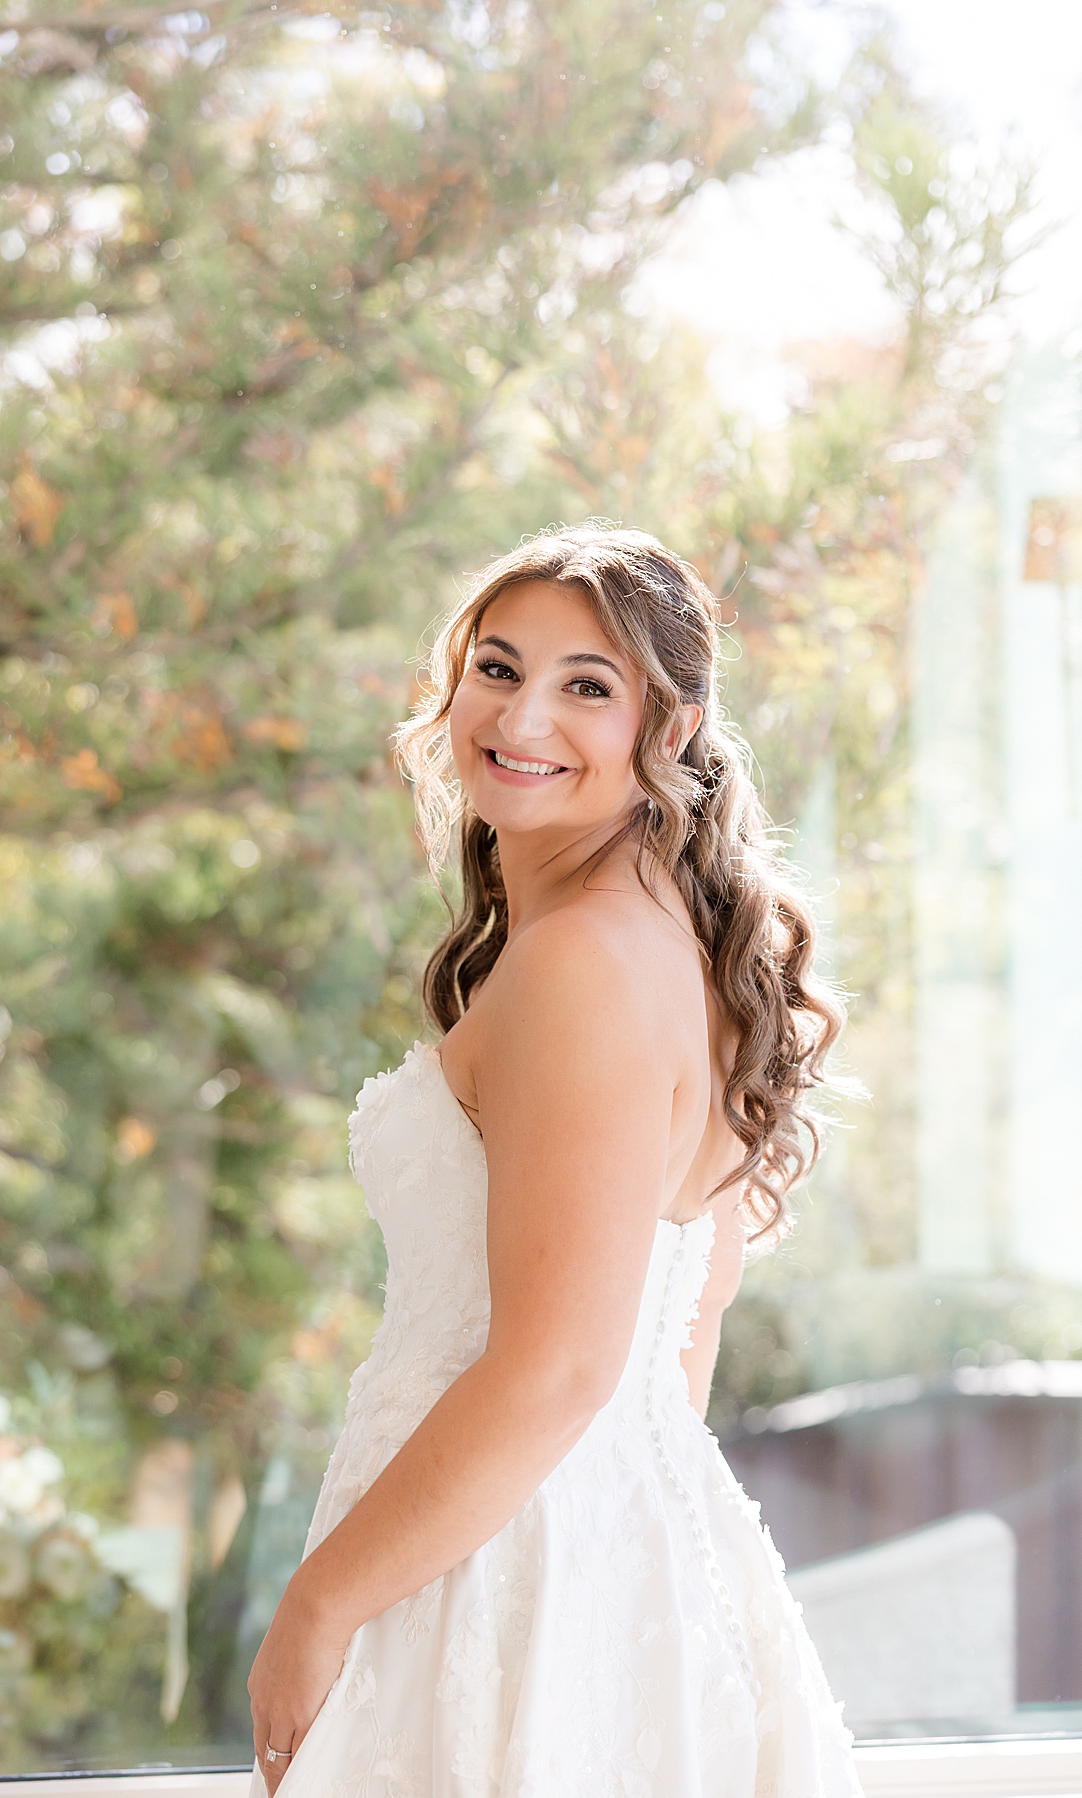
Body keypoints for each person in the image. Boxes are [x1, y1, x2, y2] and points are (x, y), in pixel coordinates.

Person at [242, 524, 861, 1795]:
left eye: (589, 685)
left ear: (671, 732)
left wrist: (318, 1606)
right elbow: (679, 1343)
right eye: (497, 666)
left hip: (497, 1566)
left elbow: (565, 1364)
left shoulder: (586, 961)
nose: (523, 713)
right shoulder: (681, 945)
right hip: (589, 1546)